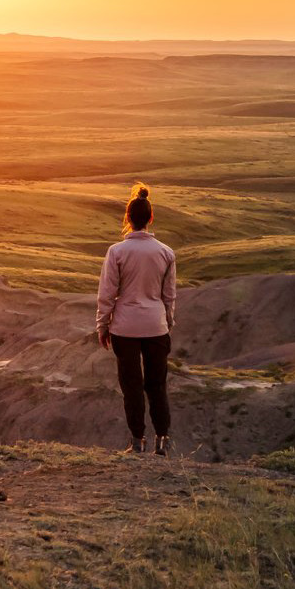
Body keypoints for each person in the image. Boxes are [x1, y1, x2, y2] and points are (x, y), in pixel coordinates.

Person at [95, 184, 177, 455]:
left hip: (125, 328)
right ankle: (162, 440)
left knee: (131, 386)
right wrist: (168, 323)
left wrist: (102, 325)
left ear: (128, 219)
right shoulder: (166, 252)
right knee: (157, 385)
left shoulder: (116, 251)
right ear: (151, 218)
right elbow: (169, 295)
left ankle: (138, 441)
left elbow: (107, 293)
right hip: (156, 327)